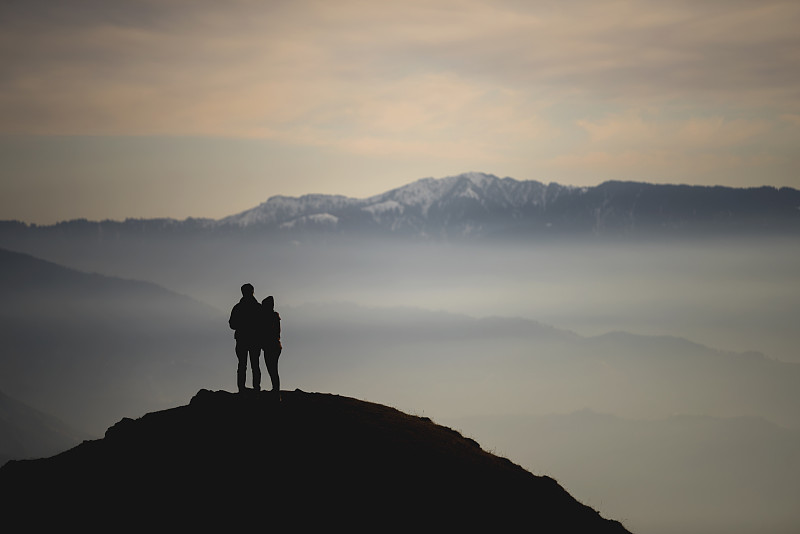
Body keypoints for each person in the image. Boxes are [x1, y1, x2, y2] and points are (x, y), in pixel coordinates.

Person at [229, 283, 262, 393]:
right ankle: (256, 389)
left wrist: (241, 325)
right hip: (255, 340)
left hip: (242, 339)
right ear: (253, 292)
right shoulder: (258, 307)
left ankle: (241, 389)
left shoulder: (238, 307)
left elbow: (232, 324)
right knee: (255, 365)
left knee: (242, 365)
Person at [261, 295, 282, 399]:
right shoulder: (275, 316)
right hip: (276, 345)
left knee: (272, 369)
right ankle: (276, 390)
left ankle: (276, 391)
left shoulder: (267, 317)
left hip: (270, 346)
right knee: (273, 369)